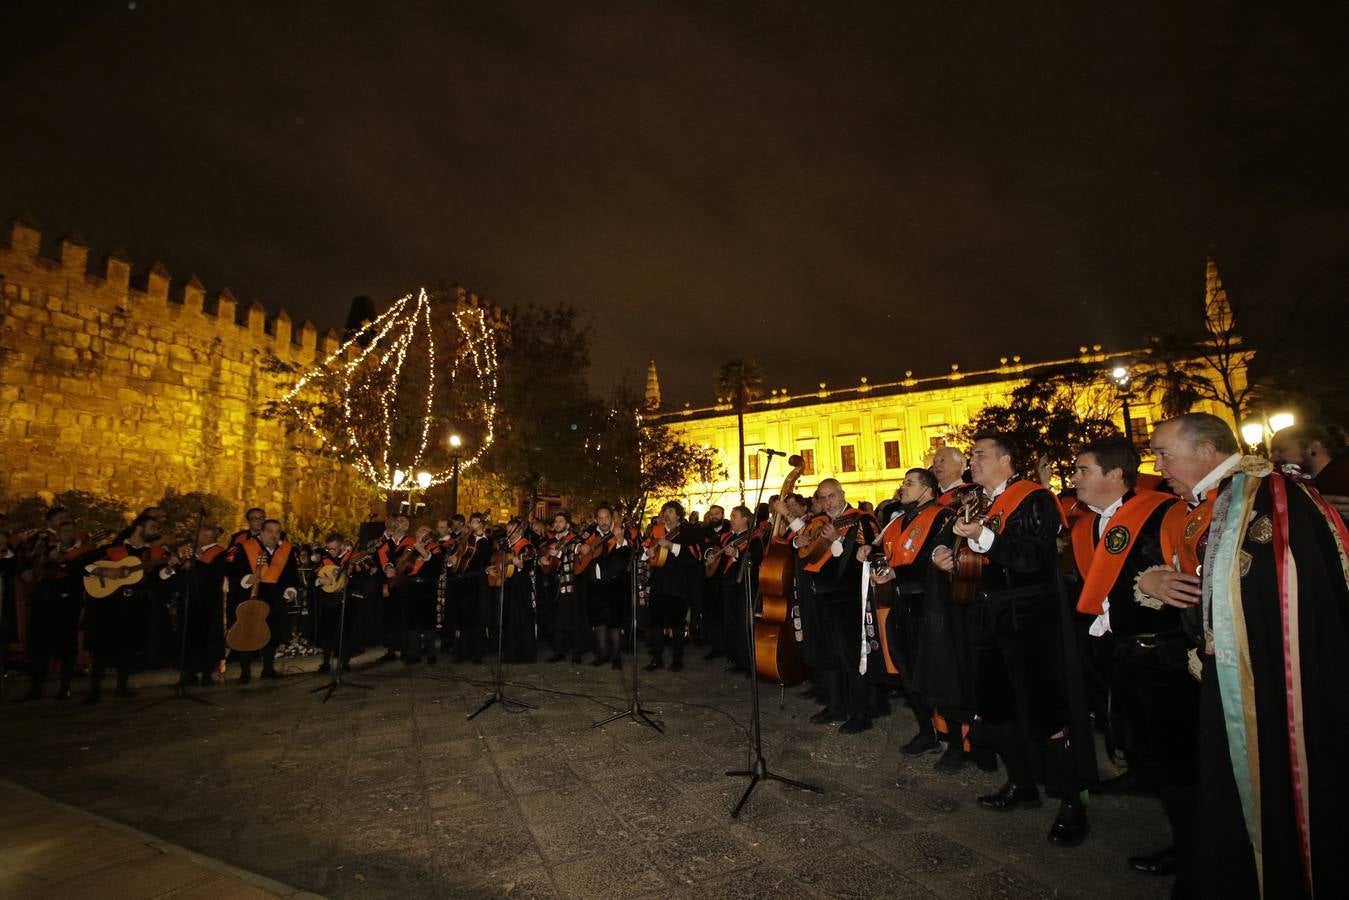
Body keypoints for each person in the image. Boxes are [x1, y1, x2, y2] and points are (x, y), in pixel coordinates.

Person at [1148, 413, 1349, 899]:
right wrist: (1153, 582)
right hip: (1231, 677)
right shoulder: (1218, 502)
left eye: (1164, 454)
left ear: (1206, 452)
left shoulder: (1273, 502)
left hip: (1273, 685)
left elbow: (1291, 602)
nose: (1157, 466)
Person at [932, 430, 1093, 847]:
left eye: (980, 455)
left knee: (1044, 710)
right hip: (987, 616)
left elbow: (1029, 558)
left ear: (1006, 460)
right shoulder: (981, 502)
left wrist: (980, 538)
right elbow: (975, 556)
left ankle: (1070, 801)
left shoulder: (1034, 498)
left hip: (1028, 619)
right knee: (996, 707)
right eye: (971, 456)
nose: (973, 463)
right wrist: (950, 557)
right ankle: (1021, 784)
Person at [1067, 437, 1194, 886]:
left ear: (1116, 475)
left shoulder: (1162, 511)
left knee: (1178, 759)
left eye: (1083, 470)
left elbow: (1186, 568)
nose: (1074, 477)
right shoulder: (1086, 522)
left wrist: (1157, 578)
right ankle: (1141, 774)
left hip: (1163, 654)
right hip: (1118, 648)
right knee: (1137, 736)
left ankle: (1193, 851)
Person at [866, 468, 965, 771]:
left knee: (939, 675)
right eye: (904, 482)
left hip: (931, 607)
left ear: (928, 489)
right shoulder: (898, 520)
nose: (903, 488)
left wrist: (898, 572)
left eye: (910, 483)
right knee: (909, 675)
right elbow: (884, 552)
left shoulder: (943, 517)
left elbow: (934, 559)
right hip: (901, 604)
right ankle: (927, 731)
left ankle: (957, 745)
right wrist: (869, 556)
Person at [795, 478, 879, 733]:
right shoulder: (819, 523)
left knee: (853, 657)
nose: (828, 502)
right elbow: (808, 551)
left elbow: (865, 556)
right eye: (823, 497)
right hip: (822, 597)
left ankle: (860, 713)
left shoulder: (860, 520)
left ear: (842, 494)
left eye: (832, 496)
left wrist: (835, 541)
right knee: (829, 654)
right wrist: (799, 543)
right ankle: (836, 705)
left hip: (849, 598)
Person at [82, 512, 173, 703]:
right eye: (153, 527)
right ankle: (94, 690)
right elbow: (83, 565)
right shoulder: (112, 550)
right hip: (109, 605)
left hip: (136, 605)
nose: (157, 531)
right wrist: (103, 570)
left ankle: (121, 686)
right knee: (101, 648)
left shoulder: (156, 553)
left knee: (128, 648)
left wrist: (169, 568)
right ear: (139, 528)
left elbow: (160, 579)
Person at [19, 520, 97, 701]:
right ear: (59, 533)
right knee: (40, 648)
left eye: (71, 531)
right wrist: (48, 560)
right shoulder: (48, 549)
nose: (68, 534)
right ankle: (36, 688)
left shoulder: (83, 554)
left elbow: (84, 574)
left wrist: (66, 563)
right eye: (64, 531)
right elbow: (33, 569)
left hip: (67, 604)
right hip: (44, 604)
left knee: (66, 648)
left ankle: (65, 687)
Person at [227, 518, 300, 683]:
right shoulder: (245, 548)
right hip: (252, 596)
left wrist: (290, 590)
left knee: (272, 633)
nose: (274, 535)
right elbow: (234, 571)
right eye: (270, 531)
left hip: (276, 598)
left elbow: (291, 575)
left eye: (277, 531)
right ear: (261, 532)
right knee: (248, 633)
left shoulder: (286, 550)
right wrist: (247, 579)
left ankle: (268, 668)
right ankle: (245, 672)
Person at [168, 524, 230, 687]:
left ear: (207, 537)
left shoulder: (220, 553)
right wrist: (178, 566)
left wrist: (196, 563)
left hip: (208, 603)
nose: (194, 537)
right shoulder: (192, 553)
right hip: (189, 601)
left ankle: (207, 673)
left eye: (198, 534)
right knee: (188, 636)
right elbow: (185, 574)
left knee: (207, 637)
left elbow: (215, 576)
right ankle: (188, 673)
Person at [643, 501, 701, 672]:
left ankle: (677, 659)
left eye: (670, 511)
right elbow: (645, 551)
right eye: (664, 511)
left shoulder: (688, 531)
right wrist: (648, 553)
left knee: (676, 624)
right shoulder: (657, 531)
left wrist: (672, 546)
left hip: (678, 585)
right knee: (656, 624)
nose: (666, 514)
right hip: (658, 585)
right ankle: (657, 658)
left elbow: (696, 556)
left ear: (678, 515)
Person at [710, 505, 763, 674]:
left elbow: (755, 559)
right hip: (728, 586)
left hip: (745, 586)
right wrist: (711, 557)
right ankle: (737, 659)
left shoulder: (753, 538)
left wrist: (737, 555)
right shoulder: (728, 538)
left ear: (745, 519)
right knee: (730, 622)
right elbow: (716, 553)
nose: (731, 519)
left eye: (734, 516)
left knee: (744, 625)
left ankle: (749, 663)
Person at [578, 503, 631, 670]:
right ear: (596, 520)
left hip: (614, 586)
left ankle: (616, 658)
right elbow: (576, 547)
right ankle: (602, 655)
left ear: (612, 518)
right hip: (595, 586)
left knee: (614, 624)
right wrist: (581, 547)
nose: (604, 521)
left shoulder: (620, 534)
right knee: (599, 623)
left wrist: (621, 539)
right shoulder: (590, 536)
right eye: (600, 518)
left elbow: (626, 556)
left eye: (606, 517)